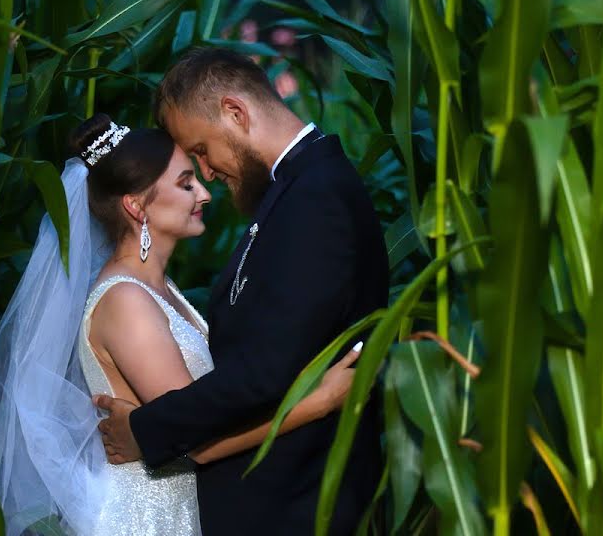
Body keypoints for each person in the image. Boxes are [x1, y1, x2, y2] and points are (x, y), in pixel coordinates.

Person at [0, 114, 361, 536]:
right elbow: (197, 439)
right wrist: (317, 403)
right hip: (144, 520)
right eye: (186, 183)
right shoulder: (125, 302)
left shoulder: (158, 289)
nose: (204, 194)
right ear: (136, 205)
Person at [95, 48, 390, 535]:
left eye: (203, 151)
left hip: (299, 507)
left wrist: (145, 430)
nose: (208, 173)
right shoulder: (295, 192)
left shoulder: (316, 198)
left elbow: (264, 372)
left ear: (235, 112)